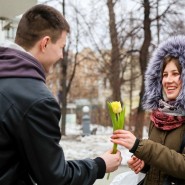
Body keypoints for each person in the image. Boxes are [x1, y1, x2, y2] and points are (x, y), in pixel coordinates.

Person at [0, 4, 122, 185]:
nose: (62, 56)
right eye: (61, 47)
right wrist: (100, 165)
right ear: (45, 43)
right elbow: (56, 178)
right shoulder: (38, 100)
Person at [111, 35, 185, 185]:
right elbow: (160, 163)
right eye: (164, 75)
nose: (168, 80)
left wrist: (140, 146)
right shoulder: (160, 116)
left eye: (175, 74)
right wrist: (144, 164)